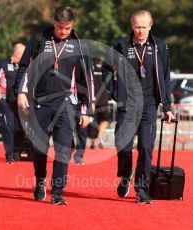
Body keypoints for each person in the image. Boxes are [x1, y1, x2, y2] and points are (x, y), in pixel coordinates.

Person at [16, 5, 94, 205]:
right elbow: (25, 66)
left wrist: (87, 109)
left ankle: (57, 193)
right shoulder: (39, 40)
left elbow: (87, 78)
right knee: (40, 149)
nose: (64, 32)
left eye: (68, 28)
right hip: (40, 101)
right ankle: (40, 180)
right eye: (60, 27)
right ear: (54, 23)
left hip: (66, 104)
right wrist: (21, 92)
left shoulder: (79, 45)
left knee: (63, 149)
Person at [102, 10, 174, 204]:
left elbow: (166, 76)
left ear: (150, 26)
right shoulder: (121, 45)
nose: (140, 30)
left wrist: (167, 106)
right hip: (127, 104)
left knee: (145, 147)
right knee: (122, 145)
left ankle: (142, 190)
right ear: (131, 25)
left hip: (150, 103)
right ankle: (126, 175)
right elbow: (106, 69)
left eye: (144, 26)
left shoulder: (159, 46)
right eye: (137, 26)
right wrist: (115, 93)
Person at [0, 43, 26, 164]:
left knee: (20, 128)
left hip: (20, 102)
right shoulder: (2, 64)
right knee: (8, 128)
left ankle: (16, 151)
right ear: (17, 54)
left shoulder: (23, 66)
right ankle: (9, 155)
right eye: (24, 54)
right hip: (5, 100)